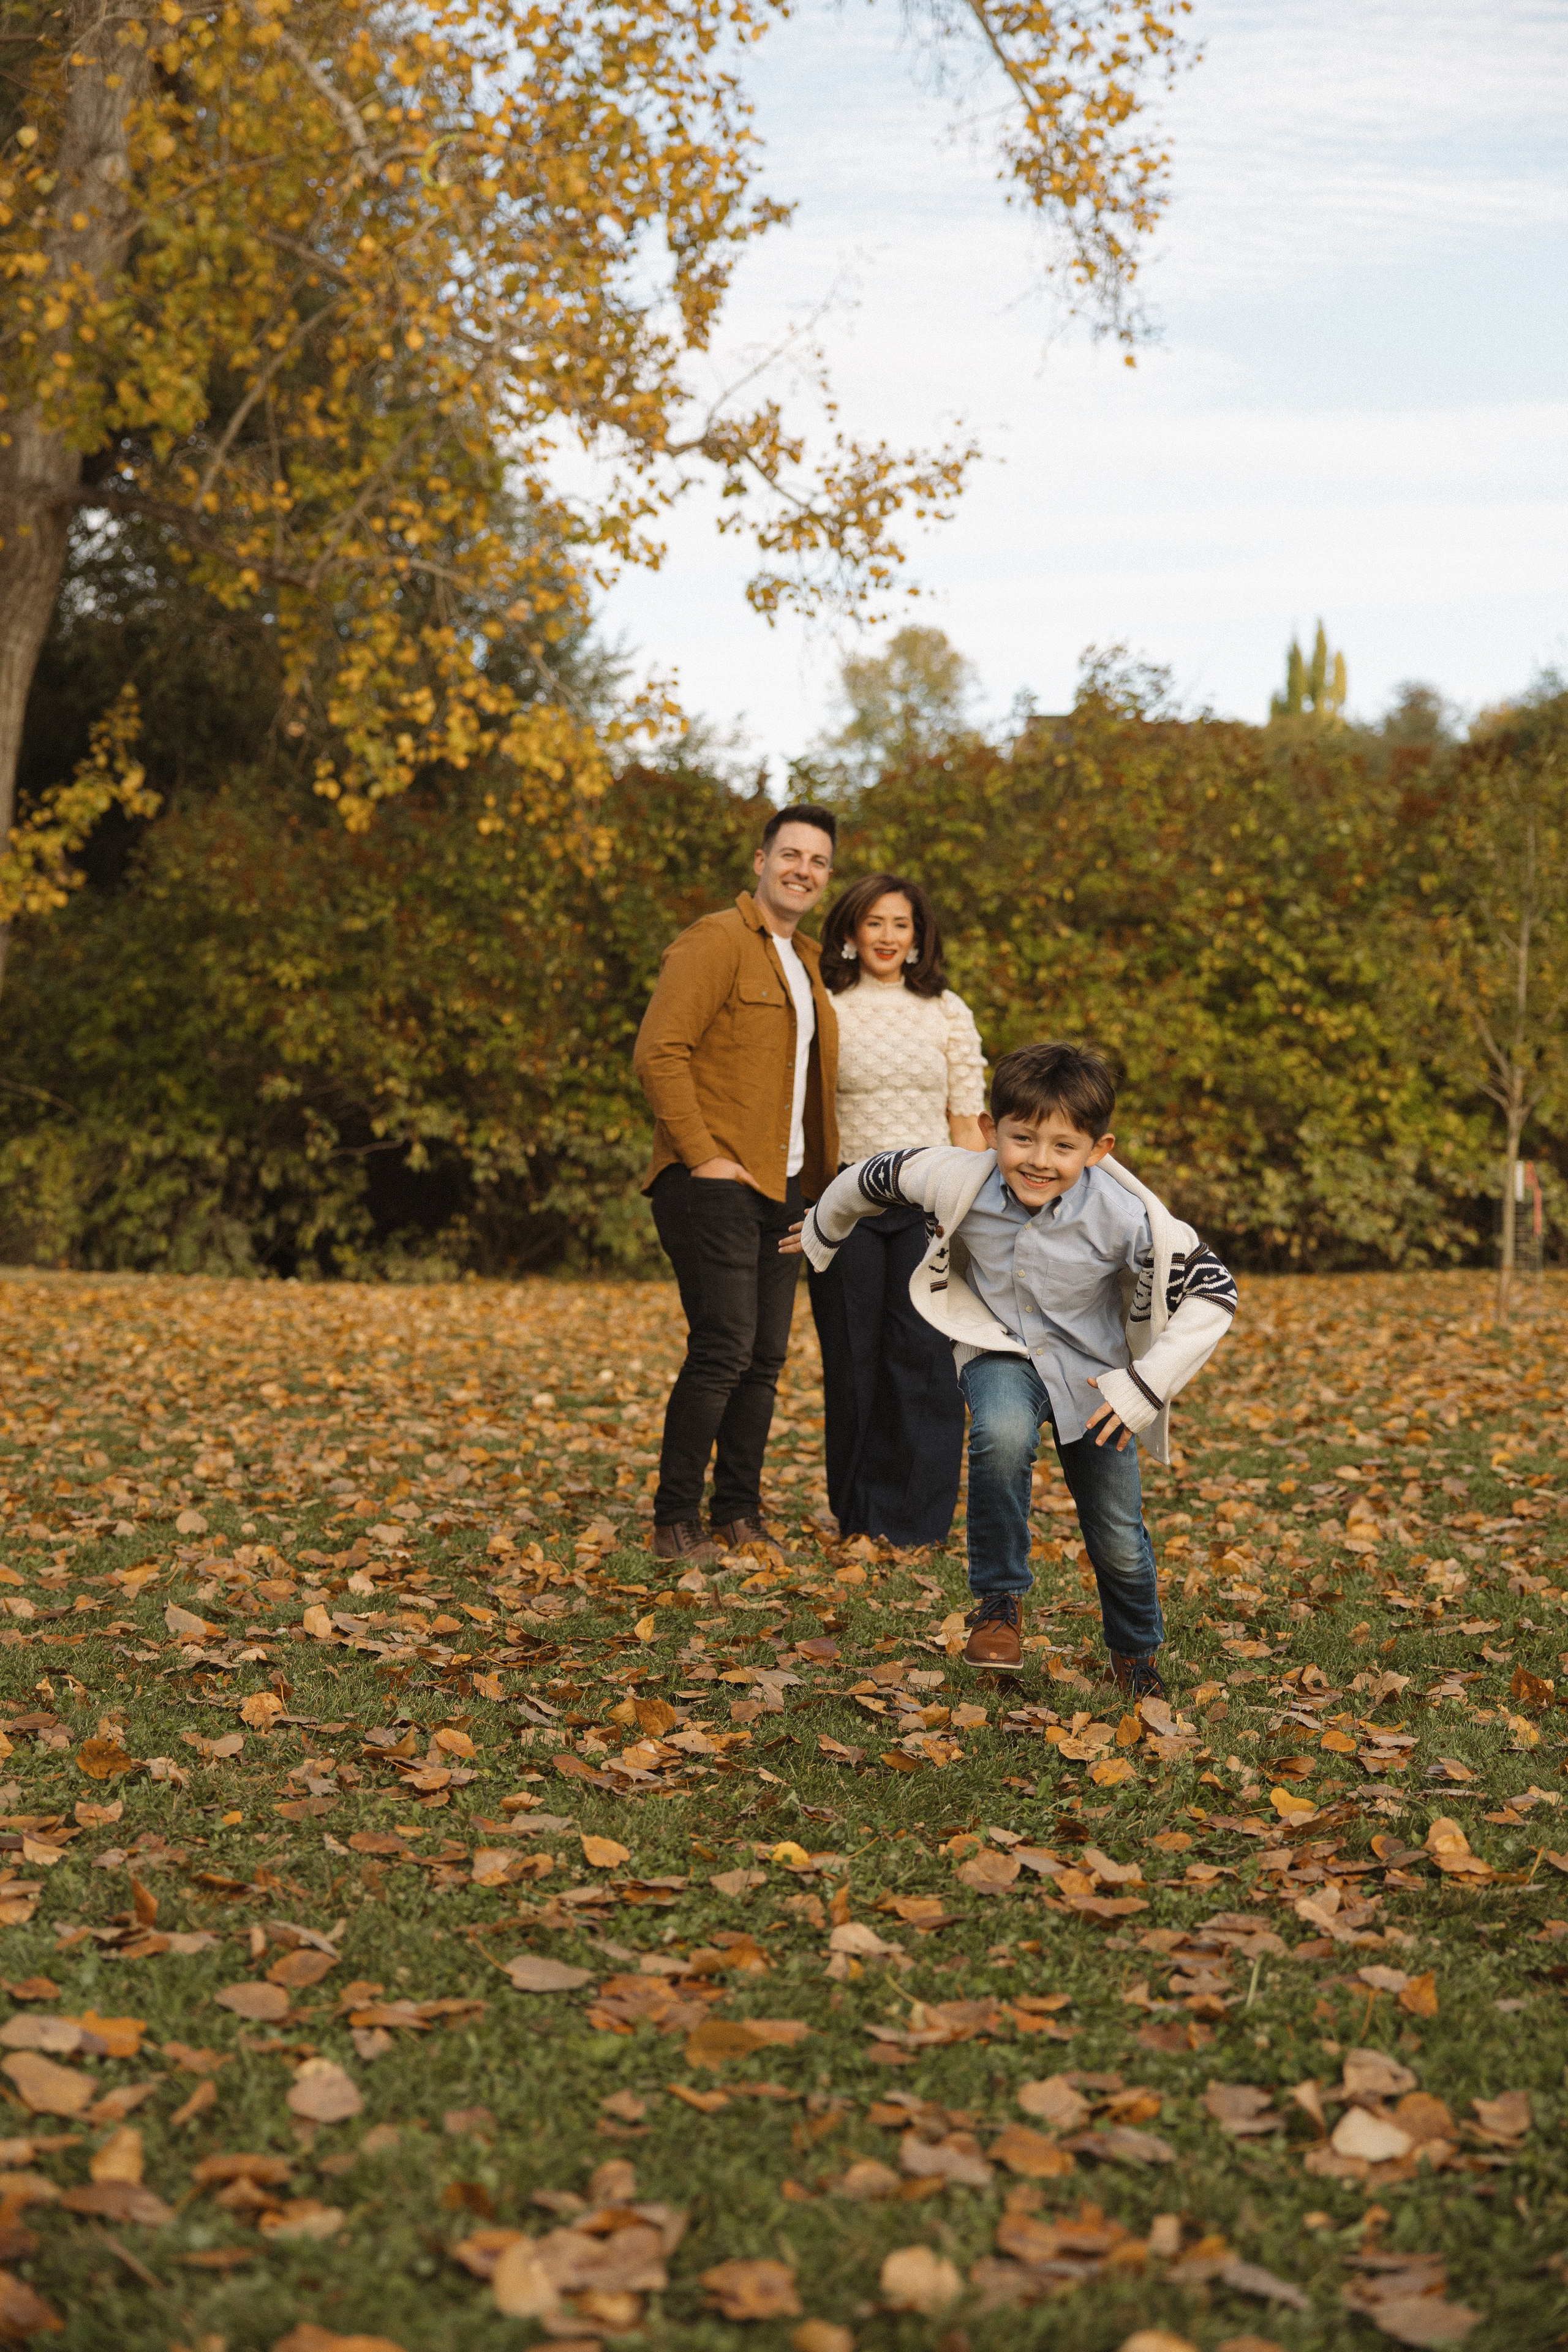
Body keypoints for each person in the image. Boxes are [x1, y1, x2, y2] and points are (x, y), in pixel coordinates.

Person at [785, 1041, 1238, 1694]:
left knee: (1114, 1526)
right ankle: (998, 1604)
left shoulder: (1129, 1217)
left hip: (1098, 1375)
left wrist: (1145, 1386)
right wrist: (822, 1232)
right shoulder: (952, 1176)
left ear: (1098, 1150)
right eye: (1022, 1139)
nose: (1039, 1161)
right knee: (999, 1432)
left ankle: (1134, 1652)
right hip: (997, 1345)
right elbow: (870, 1177)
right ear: (988, 1131)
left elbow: (1213, 1291)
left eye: (1063, 1147)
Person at [633, 804, 840, 1562]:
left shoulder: (812, 962)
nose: (803, 871)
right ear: (760, 861)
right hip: (713, 1181)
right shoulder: (715, 941)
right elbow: (660, 1052)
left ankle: (738, 1513)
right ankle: (673, 1520)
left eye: (818, 862)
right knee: (723, 1346)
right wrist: (703, 1154)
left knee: (764, 1358)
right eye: (791, 855)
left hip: (788, 1188)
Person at [809, 871, 986, 1547]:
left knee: (923, 1361)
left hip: (928, 1205)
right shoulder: (826, 1005)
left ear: (917, 938)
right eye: (874, 922)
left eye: (900, 925)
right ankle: (859, 1517)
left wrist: (972, 1211)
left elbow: (966, 1118)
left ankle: (916, 1522)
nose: (887, 936)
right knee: (854, 1362)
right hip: (844, 1205)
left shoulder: (946, 1009)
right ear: (851, 933)